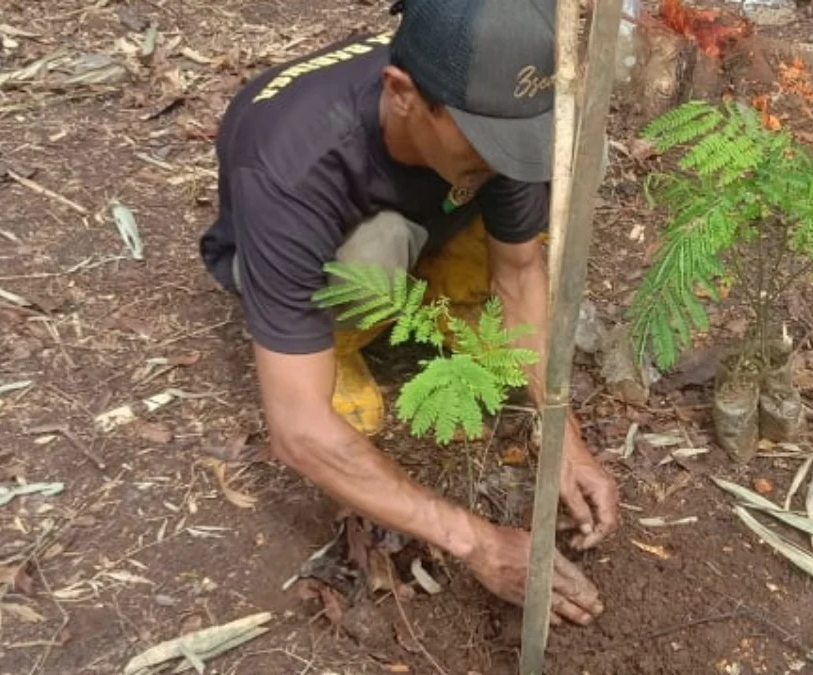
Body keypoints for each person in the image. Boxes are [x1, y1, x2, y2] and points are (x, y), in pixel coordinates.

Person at [198, 0, 619, 626]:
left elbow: (520, 271)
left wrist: (563, 440)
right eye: (487, 143)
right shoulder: (291, 166)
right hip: (326, 245)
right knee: (375, 253)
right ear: (402, 94)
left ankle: (442, 284)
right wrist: (475, 540)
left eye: (515, 140)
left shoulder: (493, 110)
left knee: (543, 181)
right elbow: (297, 429)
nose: (506, 157)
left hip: (431, 208)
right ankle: (342, 343)